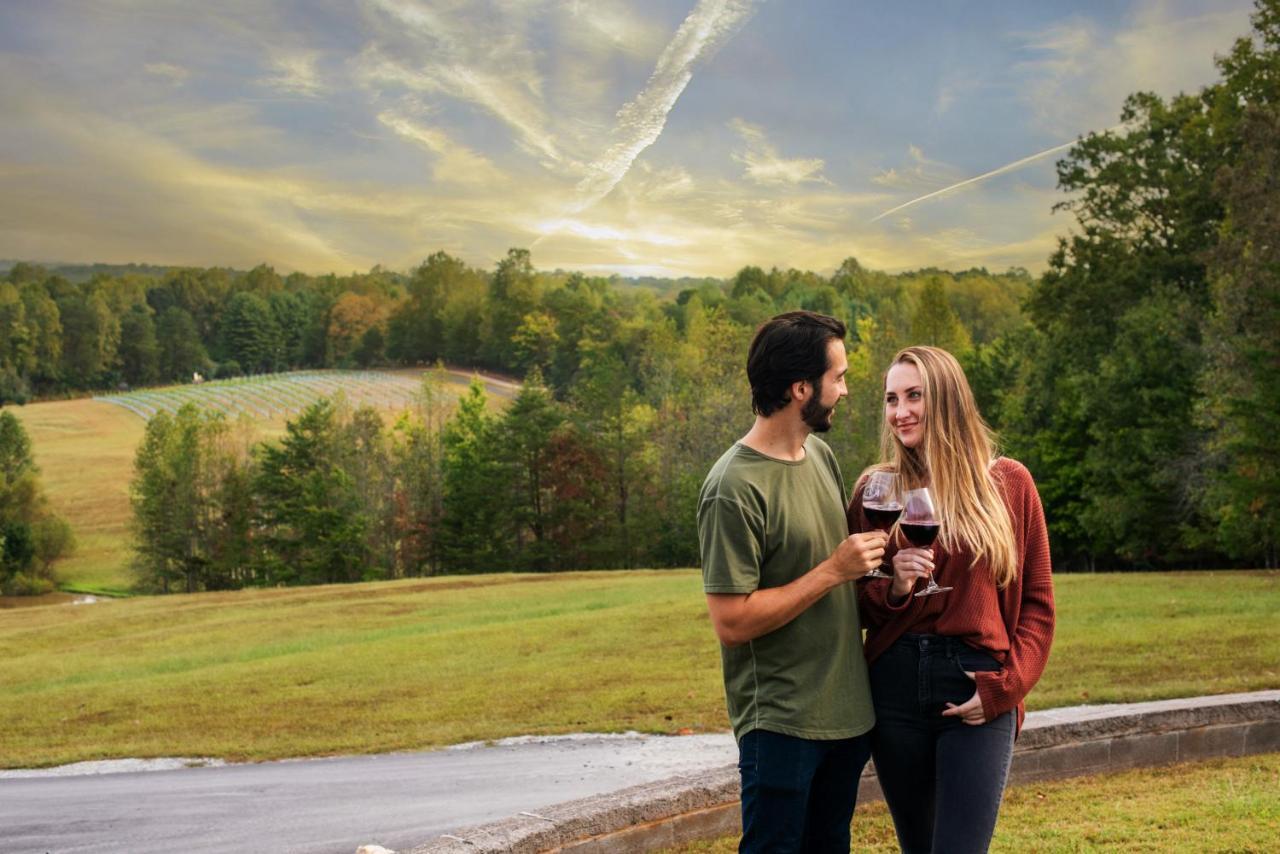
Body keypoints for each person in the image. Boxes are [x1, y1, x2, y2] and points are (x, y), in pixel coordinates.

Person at [850, 345, 1055, 854]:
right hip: (893, 688)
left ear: (947, 399)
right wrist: (894, 587)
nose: (901, 412)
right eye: (891, 398)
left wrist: (1004, 689)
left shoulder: (1008, 483)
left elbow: (1037, 605)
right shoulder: (876, 490)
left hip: (973, 683)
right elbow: (852, 602)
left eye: (915, 395)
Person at [698, 310, 889, 854]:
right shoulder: (732, 487)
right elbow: (732, 623)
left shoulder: (821, 457)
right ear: (801, 387)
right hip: (781, 726)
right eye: (839, 378)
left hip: (847, 720)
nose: (845, 391)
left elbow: (849, 582)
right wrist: (833, 570)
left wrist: (883, 575)